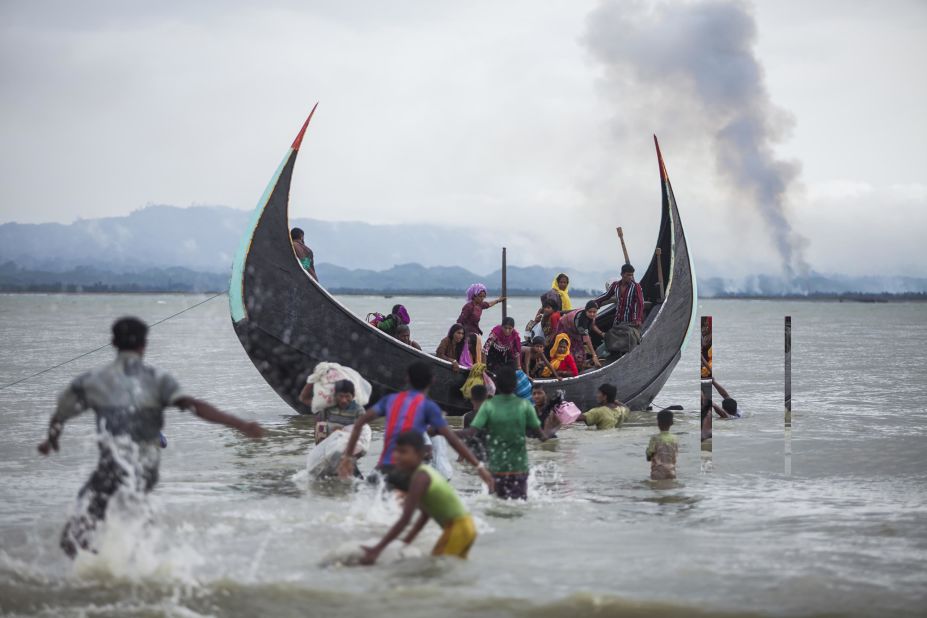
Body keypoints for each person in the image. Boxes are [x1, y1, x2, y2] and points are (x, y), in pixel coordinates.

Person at [37, 317, 263, 558]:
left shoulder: (93, 380)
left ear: (113, 342)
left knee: (73, 537)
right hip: (146, 471)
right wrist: (241, 424)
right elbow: (194, 405)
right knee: (128, 524)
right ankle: (119, 565)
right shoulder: (158, 379)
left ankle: (98, 571)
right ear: (144, 344)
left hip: (112, 468)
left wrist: (51, 441)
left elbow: (60, 415)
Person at [338, 362, 493, 492]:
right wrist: (479, 467)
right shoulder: (429, 407)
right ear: (432, 381)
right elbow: (452, 439)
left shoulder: (391, 400)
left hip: (384, 469)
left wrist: (347, 458)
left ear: (407, 378)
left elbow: (359, 423)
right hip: (409, 474)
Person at [359, 431, 477, 565]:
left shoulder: (420, 478)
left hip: (458, 529)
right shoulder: (422, 474)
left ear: (420, 454)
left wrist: (377, 549)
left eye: (403, 452)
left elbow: (405, 519)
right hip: (463, 526)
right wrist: (407, 541)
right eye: (396, 451)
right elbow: (425, 515)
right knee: (445, 567)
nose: (397, 456)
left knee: (440, 569)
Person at [462, 367, 555, 500]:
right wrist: (551, 428)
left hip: (496, 468)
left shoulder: (488, 406)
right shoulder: (525, 405)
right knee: (519, 506)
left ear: (497, 385)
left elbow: (470, 432)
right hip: (519, 467)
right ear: (516, 385)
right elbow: (542, 437)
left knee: (496, 505)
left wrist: (443, 431)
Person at [594, 264, 645, 358]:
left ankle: (626, 356)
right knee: (615, 340)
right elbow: (606, 295)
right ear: (622, 274)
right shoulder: (615, 286)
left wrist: (638, 318)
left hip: (630, 321)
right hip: (617, 321)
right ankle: (614, 355)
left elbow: (640, 303)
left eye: (631, 275)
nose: (630, 277)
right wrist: (595, 302)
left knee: (628, 340)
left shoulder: (636, 286)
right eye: (628, 275)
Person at [305, 379, 365, 445]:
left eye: (347, 396)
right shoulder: (328, 408)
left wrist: (343, 431)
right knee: (320, 425)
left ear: (353, 396)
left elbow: (363, 430)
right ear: (335, 396)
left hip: (349, 442)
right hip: (330, 443)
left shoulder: (358, 410)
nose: (344, 400)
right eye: (341, 396)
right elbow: (319, 425)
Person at [557, 301, 603, 370]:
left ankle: (582, 364)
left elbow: (592, 325)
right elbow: (587, 338)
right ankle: (569, 368)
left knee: (581, 351)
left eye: (594, 312)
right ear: (586, 310)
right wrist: (594, 355)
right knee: (570, 350)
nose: (592, 314)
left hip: (575, 330)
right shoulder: (581, 320)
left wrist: (602, 333)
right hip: (565, 328)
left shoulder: (592, 316)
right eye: (590, 312)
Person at [646, 409, 679, 481]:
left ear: (658, 422)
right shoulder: (675, 438)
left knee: (656, 488)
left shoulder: (655, 438)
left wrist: (648, 453)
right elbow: (674, 455)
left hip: (658, 472)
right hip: (672, 471)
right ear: (672, 423)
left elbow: (649, 456)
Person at [460, 384, 488, 462]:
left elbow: (465, 441)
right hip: (489, 458)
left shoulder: (468, 417)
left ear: (471, 399)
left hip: (473, 459)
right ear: (486, 398)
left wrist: (460, 459)